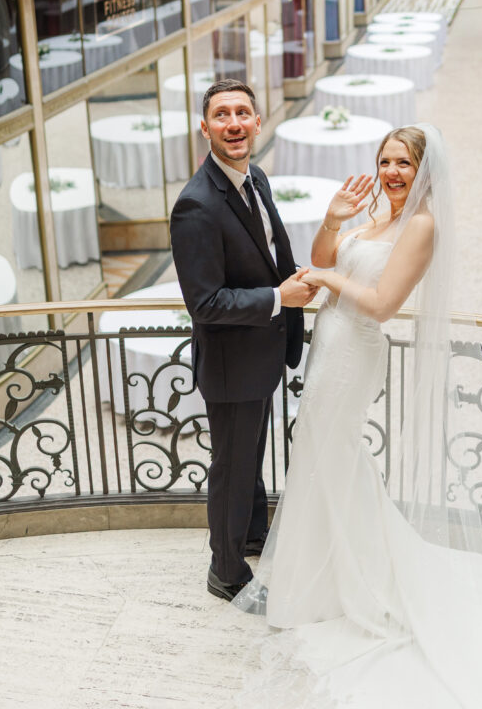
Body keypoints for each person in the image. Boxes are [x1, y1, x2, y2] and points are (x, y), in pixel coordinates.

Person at [232, 124, 482, 709]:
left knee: (332, 457)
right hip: (329, 343)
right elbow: (322, 257)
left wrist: (328, 279)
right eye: (385, 161)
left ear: (424, 171)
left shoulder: (421, 225)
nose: (391, 172)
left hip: (355, 348)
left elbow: (383, 305)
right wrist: (333, 221)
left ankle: (356, 581)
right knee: (322, 457)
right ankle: (326, 575)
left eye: (403, 164)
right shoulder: (378, 215)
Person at [170, 80, 318, 602]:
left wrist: (295, 280)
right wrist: (279, 298)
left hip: (262, 352)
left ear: (257, 122)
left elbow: (269, 252)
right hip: (232, 363)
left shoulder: (255, 176)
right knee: (232, 470)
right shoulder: (196, 205)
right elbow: (205, 302)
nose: (233, 123)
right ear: (205, 128)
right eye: (221, 115)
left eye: (242, 113)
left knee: (250, 459)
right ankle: (227, 571)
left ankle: (252, 535)